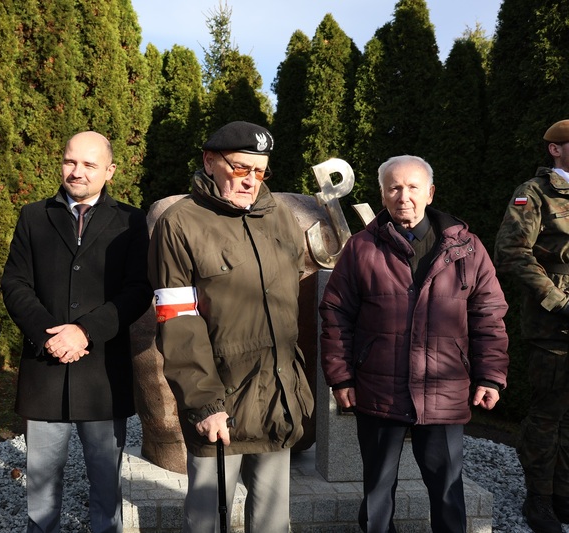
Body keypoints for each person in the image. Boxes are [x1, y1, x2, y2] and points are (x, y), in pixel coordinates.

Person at [319, 155, 509, 533]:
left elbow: (488, 315)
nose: (403, 196)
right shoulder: (360, 248)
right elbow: (336, 315)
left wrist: (490, 376)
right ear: (382, 194)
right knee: (377, 493)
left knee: (447, 491)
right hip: (378, 388)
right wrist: (341, 379)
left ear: (430, 192)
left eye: (412, 187)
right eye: (393, 187)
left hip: (445, 390)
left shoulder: (467, 248)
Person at [147, 120, 314, 533]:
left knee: (274, 523)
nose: (251, 181)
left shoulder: (281, 219)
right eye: (241, 168)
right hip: (219, 402)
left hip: (277, 397)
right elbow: (178, 319)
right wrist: (205, 404)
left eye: (260, 171)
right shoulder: (180, 223)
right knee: (207, 519)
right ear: (209, 161)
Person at [0, 131, 153, 533]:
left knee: (106, 488)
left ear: (110, 171)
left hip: (102, 375)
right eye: (71, 162)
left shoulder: (131, 221)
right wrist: (50, 334)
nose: (77, 172)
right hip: (44, 370)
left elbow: (138, 290)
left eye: (89, 164)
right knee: (42, 490)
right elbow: (15, 284)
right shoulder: (34, 216)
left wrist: (84, 332)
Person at [495, 119, 569, 533]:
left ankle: (564, 495)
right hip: (554, 326)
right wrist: (559, 303)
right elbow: (511, 252)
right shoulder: (534, 193)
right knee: (548, 415)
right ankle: (538, 499)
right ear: (555, 150)